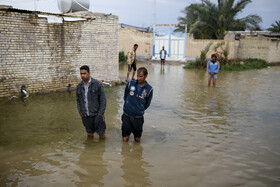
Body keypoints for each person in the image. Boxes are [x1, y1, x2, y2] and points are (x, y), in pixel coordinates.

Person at [122, 67, 153, 142]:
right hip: (127, 115)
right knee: (125, 138)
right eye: (137, 76)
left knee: (137, 139)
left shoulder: (149, 89)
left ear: (146, 76)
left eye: (141, 76)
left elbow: (147, 103)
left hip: (138, 117)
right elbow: (125, 96)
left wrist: (140, 109)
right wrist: (127, 105)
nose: (138, 78)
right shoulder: (130, 84)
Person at [76, 65, 107, 139]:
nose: (82, 75)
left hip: (97, 114)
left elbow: (103, 100)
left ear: (89, 73)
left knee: (101, 135)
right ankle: (90, 149)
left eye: (84, 73)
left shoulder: (97, 84)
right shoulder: (79, 86)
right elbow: (78, 101)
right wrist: (81, 113)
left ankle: (102, 150)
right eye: (81, 74)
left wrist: (100, 114)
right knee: (89, 135)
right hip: (86, 116)